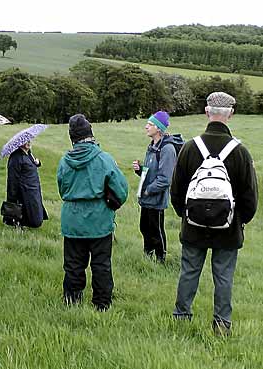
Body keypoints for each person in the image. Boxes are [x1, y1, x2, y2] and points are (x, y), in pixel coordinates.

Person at [170, 92, 258, 337]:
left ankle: (181, 319)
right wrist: (239, 221)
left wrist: (185, 215)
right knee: (224, 277)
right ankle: (221, 325)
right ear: (230, 114)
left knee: (189, 272)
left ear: (207, 112)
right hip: (228, 229)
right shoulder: (240, 152)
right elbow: (250, 198)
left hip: (193, 226)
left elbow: (176, 190)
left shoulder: (189, 148)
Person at [56, 114, 128, 311]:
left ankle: (72, 301)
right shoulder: (104, 159)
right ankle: (102, 304)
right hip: (99, 220)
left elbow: (62, 190)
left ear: (72, 137)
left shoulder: (64, 161)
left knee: (73, 265)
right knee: (101, 264)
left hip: (72, 220)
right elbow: (121, 190)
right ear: (91, 134)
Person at [132, 111, 177, 263]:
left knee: (156, 231)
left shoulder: (167, 149)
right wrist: (140, 169)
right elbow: (151, 172)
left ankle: (161, 260)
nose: (146, 127)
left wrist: (148, 190)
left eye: (150, 124)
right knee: (145, 228)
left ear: (159, 128)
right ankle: (148, 257)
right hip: (146, 198)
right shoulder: (152, 146)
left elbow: (165, 179)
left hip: (156, 199)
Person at [4, 140, 48, 228]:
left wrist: (38, 163)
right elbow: (12, 178)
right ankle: (19, 223)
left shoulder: (29, 154)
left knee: (37, 214)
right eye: (25, 142)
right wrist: (13, 195)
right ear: (20, 144)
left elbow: (32, 166)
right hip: (24, 189)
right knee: (33, 218)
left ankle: (26, 223)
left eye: (29, 141)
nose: (28, 143)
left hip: (33, 188)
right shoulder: (15, 157)